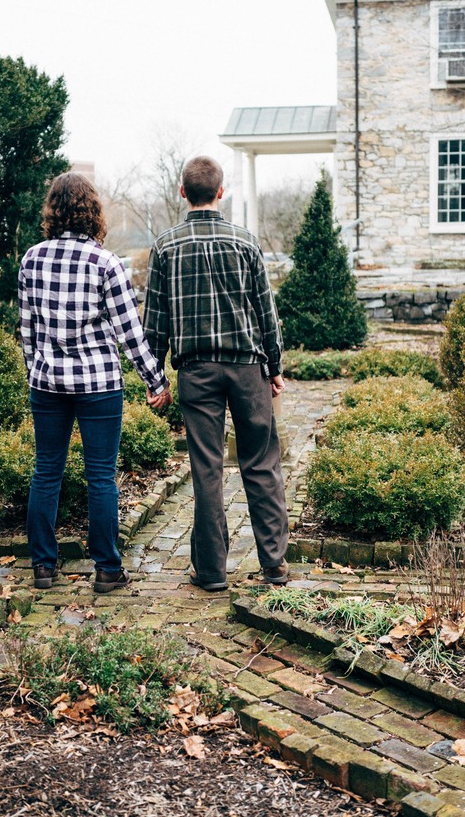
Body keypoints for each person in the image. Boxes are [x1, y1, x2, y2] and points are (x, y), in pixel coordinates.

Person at [18, 173, 170, 592]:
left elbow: (27, 332)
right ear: (93, 212)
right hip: (99, 383)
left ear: (52, 211)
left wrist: (37, 371)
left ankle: (43, 568)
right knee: (100, 476)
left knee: (46, 472)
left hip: (47, 383)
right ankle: (106, 570)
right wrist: (156, 381)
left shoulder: (31, 259)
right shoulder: (107, 264)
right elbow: (130, 333)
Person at [143, 156, 289, 592]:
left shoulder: (166, 247)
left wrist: (156, 378)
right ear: (221, 192)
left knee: (206, 468)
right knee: (261, 463)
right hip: (247, 369)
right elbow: (267, 313)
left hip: (196, 371)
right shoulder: (246, 243)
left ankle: (210, 572)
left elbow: (155, 322)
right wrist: (275, 367)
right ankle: (275, 564)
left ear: (183, 192)